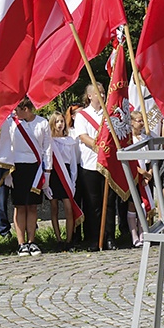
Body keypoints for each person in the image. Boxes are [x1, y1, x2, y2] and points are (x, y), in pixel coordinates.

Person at [74, 83, 116, 251]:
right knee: (93, 203)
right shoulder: (82, 116)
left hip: (108, 165)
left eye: (104, 92)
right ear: (90, 96)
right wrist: (98, 147)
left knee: (109, 202)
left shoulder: (110, 114)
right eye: (99, 93)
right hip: (90, 164)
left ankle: (109, 237)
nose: (103, 96)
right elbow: (83, 137)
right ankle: (93, 238)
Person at [7, 98, 50, 256]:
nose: (14, 112)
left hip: (36, 168)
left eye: (17, 109)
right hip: (18, 167)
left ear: (26, 108)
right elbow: (6, 145)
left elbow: (47, 148)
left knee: (32, 206)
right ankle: (21, 243)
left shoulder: (42, 123)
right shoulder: (12, 123)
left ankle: (32, 241)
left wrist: (48, 171)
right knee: (19, 206)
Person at [46, 111, 79, 251]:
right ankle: (58, 239)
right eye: (57, 121)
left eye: (62, 121)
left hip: (65, 175)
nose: (60, 124)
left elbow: (72, 163)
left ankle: (69, 240)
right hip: (53, 175)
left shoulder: (69, 141)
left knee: (68, 208)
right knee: (54, 209)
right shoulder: (48, 141)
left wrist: (73, 182)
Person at [127, 110, 153, 247]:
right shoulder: (129, 140)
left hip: (145, 177)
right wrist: (141, 172)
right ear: (131, 122)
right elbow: (129, 161)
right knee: (133, 204)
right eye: (139, 121)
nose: (142, 123)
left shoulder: (145, 138)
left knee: (144, 205)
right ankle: (134, 235)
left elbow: (150, 159)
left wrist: (148, 174)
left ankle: (143, 233)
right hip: (134, 176)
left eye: (143, 120)